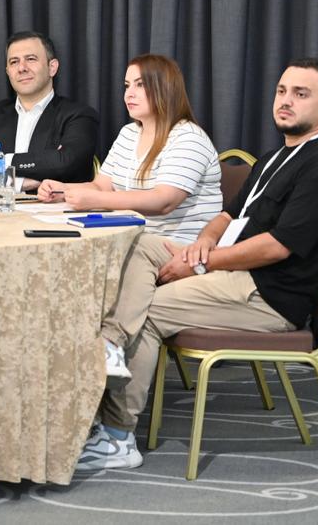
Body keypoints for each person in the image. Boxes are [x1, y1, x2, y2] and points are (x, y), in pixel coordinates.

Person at [75, 58, 318, 472]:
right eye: (282, 91)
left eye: (301, 94)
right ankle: (110, 345)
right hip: (232, 272)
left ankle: (119, 437)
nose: (286, 101)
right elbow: (228, 215)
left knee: (145, 312)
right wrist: (204, 243)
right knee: (142, 244)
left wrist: (202, 263)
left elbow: (277, 247)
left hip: (269, 294)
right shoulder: (275, 157)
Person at [39, 54, 222, 387]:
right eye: (126, 85)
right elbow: (101, 186)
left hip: (179, 250)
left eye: (140, 85)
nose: (129, 93)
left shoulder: (188, 138)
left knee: (111, 261)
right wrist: (64, 190)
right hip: (133, 242)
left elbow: (163, 201)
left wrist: (95, 200)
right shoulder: (128, 133)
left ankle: (106, 350)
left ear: (164, 89)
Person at [0, 31, 99, 188]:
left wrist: (3, 160)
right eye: (14, 62)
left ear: (52, 68)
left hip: (53, 204)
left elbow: (65, 163)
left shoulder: (79, 115)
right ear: (8, 72)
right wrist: (20, 183)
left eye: (31, 59)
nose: (21, 68)